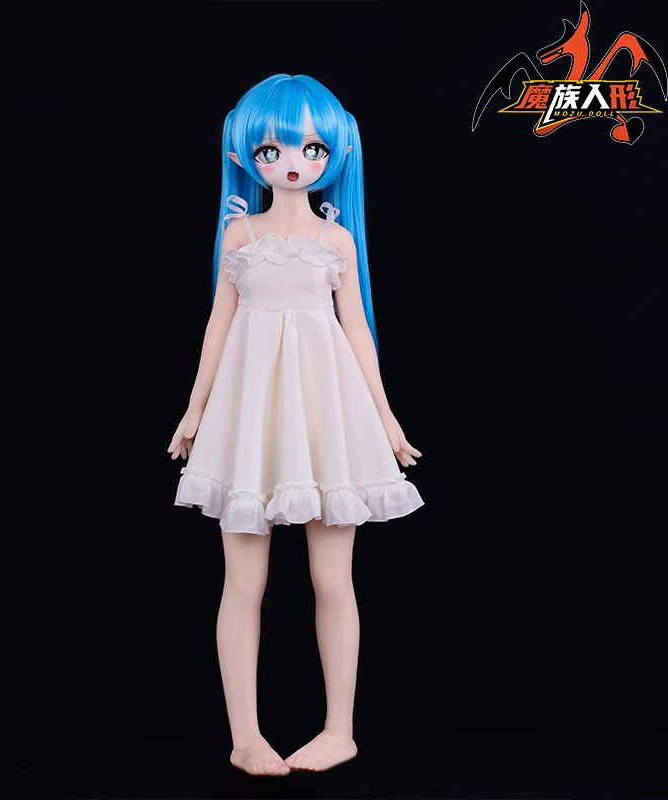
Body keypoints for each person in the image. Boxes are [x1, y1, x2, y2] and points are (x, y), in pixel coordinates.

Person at [167, 73, 424, 776]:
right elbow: (218, 325)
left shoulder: (336, 240)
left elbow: (358, 331)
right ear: (245, 154)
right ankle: (245, 737)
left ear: (336, 153)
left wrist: (385, 417)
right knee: (241, 583)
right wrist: (195, 408)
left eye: (311, 148)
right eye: (273, 148)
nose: (291, 162)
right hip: (249, 411)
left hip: (324, 409)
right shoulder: (240, 234)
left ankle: (340, 729)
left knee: (333, 580)